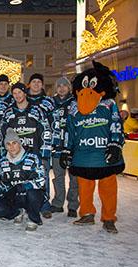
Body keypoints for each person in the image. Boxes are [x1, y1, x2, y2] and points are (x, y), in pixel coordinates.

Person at [62, 61, 125, 233]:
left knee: (109, 188)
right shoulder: (74, 107)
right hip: (83, 155)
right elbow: (70, 131)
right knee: (85, 187)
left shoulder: (109, 104)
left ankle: (109, 217)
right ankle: (87, 213)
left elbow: (116, 125)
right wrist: (67, 150)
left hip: (104, 155)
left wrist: (115, 145)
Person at [1, 82, 52, 218]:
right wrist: (3, 151)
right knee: (18, 180)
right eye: (15, 93)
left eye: (20, 92)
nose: (17, 95)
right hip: (15, 153)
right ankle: (20, 205)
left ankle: (44, 205)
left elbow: (46, 130)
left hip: (34, 151)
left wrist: (45, 151)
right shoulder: (9, 112)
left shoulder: (37, 110)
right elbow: (3, 133)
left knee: (41, 178)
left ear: (25, 93)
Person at [0, 128, 45, 231]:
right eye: (8, 144)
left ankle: (33, 219)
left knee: (33, 194)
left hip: (30, 195)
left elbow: (41, 180)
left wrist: (23, 186)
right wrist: (6, 192)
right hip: (15, 198)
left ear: (19, 143)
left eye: (14, 143)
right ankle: (19, 212)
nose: (11, 146)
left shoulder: (32, 157)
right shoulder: (2, 160)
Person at [27, 73, 57, 218]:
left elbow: (54, 122)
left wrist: (52, 141)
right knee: (25, 175)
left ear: (42, 85)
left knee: (43, 176)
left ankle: (44, 204)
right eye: (34, 81)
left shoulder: (48, 101)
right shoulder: (23, 99)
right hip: (25, 146)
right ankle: (26, 203)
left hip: (42, 145)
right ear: (29, 84)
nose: (37, 84)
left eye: (39, 82)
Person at [50, 77, 79, 217]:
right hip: (57, 146)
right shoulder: (51, 102)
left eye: (64, 86)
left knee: (74, 177)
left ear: (69, 87)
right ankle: (58, 202)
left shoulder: (75, 101)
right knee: (58, 176)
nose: (62, 88)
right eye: (59, 86)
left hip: (73, 146)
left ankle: (73, 205)